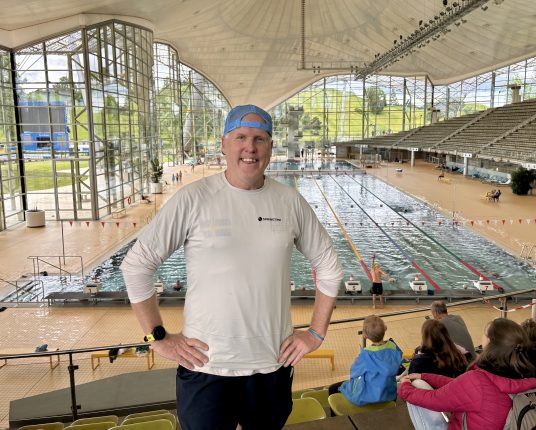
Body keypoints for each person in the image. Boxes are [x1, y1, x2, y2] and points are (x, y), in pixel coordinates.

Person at [121, 104, 343, 430]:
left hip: (272, 365)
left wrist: (315, 333)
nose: (249, 147)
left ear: (270, 147)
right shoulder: (193, 198)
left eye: (259, 139)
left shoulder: (289, 201)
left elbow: (329, 266)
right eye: (240, 137)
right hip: (205, 367)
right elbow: (136, 265)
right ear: (224, 144)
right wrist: (157, 337)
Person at [398, 318, 536, 430]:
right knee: (420, 381)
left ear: (489, 342)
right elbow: (461, 388)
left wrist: (404, 387)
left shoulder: (478, 381)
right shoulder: (523, 376)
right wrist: (425, 376)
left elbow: (434, 399)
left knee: (416, 386)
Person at [328, 315, 402, 406]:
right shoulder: (393, 347)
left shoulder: (366, 354)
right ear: (385, 329)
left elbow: (354, 373)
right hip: (389, 394)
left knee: (332, 388)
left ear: (365, 335)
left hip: (369, 397)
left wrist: (357, 361)